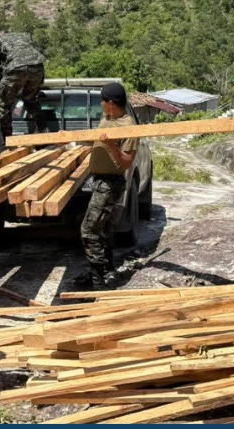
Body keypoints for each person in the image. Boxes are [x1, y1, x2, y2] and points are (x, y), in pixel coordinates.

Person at [74, 82, 138, 290]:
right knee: (103, 231)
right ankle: (107, 272)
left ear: (110, 103)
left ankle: (98, 280)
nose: (101, 104)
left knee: (88, 231)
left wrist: (111, 145)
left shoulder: (129, 127)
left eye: (103, 101)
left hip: (110, 183)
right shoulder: (107, 118)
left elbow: (127, 161)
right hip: (99, 181)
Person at [0, 31, 48, 139]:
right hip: (37, 67)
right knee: (30, 99)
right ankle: (42, 128)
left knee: (4, 105)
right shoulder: (25, 35)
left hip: (16, 68)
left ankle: (7, 141)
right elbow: (35, 51)